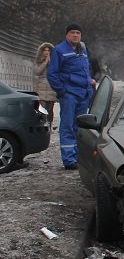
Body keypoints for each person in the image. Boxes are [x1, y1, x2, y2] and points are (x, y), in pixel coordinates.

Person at [47, 24, 95, 170]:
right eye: (72, 33)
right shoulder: (59, 50)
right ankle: (69, 159)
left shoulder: (83, 50)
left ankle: (79, 157)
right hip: (70, 95)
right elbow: (52, 74)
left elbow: (85, 70)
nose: (75, 35)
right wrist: (62, 91)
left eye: (78, 33)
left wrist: (90, 82)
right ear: (66, 35)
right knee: (67, 126)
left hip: (84, 94)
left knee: (80, 127)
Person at [33, 42, 57, 129]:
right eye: (44, 50)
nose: (46, 52)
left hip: (52, 88)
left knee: (50, 110)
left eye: (48, 50)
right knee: (41, 110)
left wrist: (50, 62)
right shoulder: (38, 60)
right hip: (41, 88)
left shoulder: (55, 61)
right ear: (41, 51)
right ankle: (41, 127)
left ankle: (49, 127)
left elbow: (57, 71)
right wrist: (45, 62)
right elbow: (37, 71)